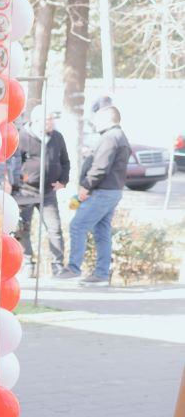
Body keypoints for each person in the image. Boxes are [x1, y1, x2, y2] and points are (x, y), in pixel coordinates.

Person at [59, 103, 129, 284]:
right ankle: (101, 274)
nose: (94, 123)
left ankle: (74, 268)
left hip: (102, 191)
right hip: (112, 190)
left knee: (77, 226)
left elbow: (101, 167)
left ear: (108, 119)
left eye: (98, 119)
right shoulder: (118, 136)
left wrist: (86, 187)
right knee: (102, 231)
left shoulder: (110, 137)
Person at [1, 112, 69, 274]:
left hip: (49, 191)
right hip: (26, 190)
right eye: (48, 120)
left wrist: (63, 181)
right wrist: (14, 181)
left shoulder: (57, 137)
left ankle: (57, 265)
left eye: (52, 120)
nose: (51, 123)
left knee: (54, 228)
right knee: (22, 228)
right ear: (36, 121)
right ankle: (27, 263)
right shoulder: (23, 136)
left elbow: (65, 161)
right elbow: (14, 161)